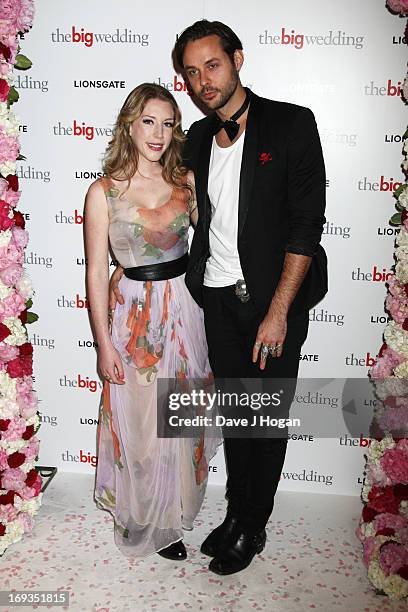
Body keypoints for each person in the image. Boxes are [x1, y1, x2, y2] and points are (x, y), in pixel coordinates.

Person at [110, 20, 328, 575]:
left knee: (266, 418)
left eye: (212, 64)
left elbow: (306, 228)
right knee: (237, 417)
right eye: (191, 71)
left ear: (237, 59)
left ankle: (253, 527)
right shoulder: (200, 140)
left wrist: (279, 312)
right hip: (215, 301)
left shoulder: (291, 125)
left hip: (274, 303)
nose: (203, 79)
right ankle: (234, 514)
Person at [84, 83, 219, 561]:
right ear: (129, 124)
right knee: (141, 420)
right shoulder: (103, 192)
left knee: (179, 418)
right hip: (134, 317)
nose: (158, 133)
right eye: (148, 121)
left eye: (167, 123)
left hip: (186, 309)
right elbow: (96, 271)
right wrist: (103, 345)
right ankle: (146, 515)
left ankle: (174, 517)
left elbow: (208, 246)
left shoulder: (186, 181)